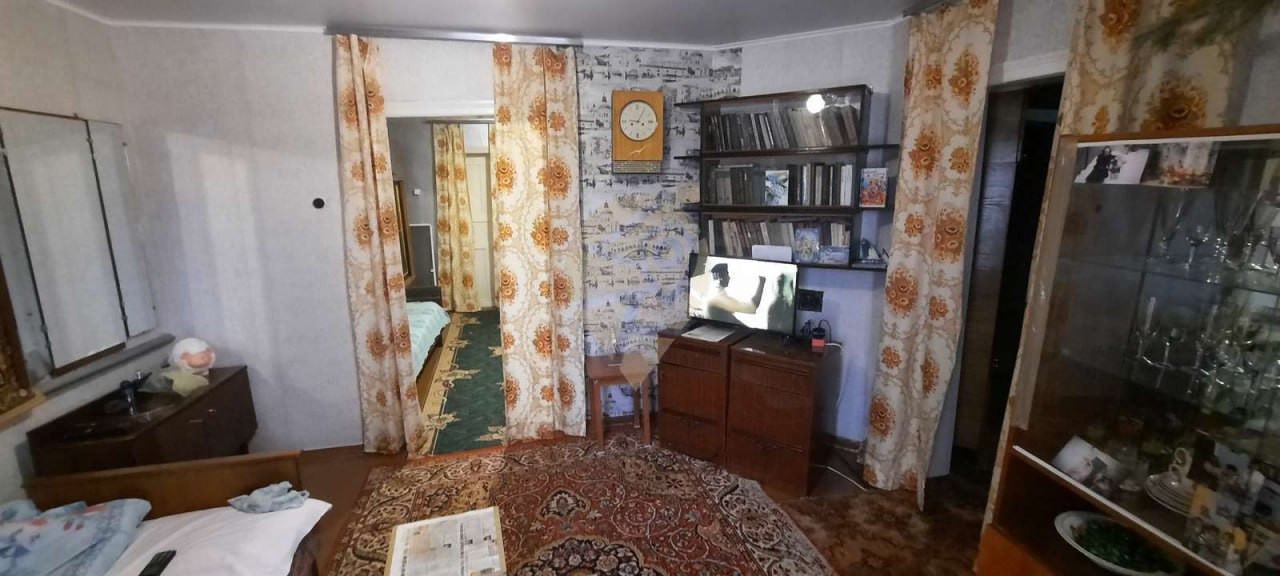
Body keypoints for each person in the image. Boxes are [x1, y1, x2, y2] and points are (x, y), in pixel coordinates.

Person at [700, 263, 766, 324]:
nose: (729, 278)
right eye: (727, 274)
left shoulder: (712, 291)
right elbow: (752, 306)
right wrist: (762, 281)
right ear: (720, 277)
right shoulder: (719, 297)